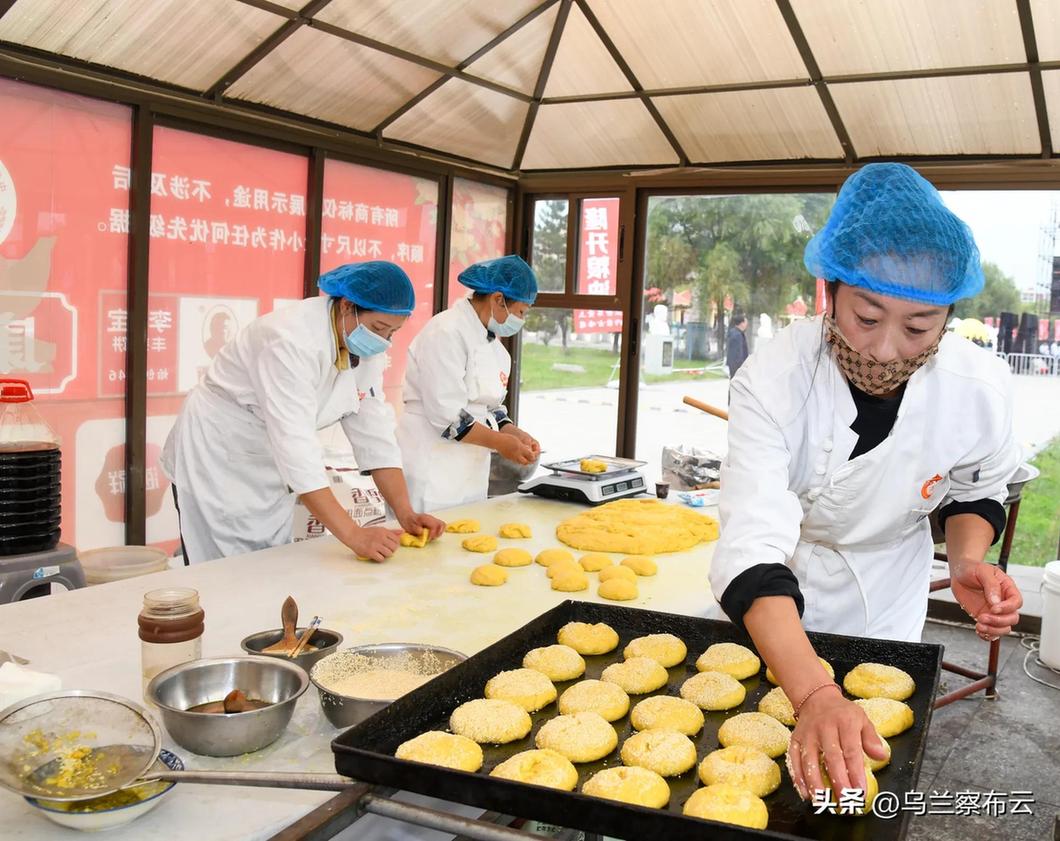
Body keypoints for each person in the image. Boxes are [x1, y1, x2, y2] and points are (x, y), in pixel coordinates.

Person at [709, 164, 1023, 803]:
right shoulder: (773, 380)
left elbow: (975, 487)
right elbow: (753, 543)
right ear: (830, 291)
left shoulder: (978, 388)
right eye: (867, 316)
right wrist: (815, 694)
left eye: (918, 327)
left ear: (948, 316)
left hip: (888, 585)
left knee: (859, 782)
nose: (885, 350)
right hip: (779, 585)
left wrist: (967, 559)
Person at [162, 261, 444, 564]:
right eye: (378, 328)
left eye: (393, 332)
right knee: (220, 566)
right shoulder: (289, 341)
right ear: (347, 306)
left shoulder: (365, 349)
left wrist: (405, 512)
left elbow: (376, 436)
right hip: (218, 451)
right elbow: (296, 447)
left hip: (265, 453)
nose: (383, 340)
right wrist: (354, 535)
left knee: (268, 560)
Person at [398, 255, 540, 512]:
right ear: (498, 299)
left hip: (470, 469)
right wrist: (500, 443)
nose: (521, 320)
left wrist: (512, 432)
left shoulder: (496, 349)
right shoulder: (446, 332)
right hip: (432, 465)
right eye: (521, 311)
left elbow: (491, 408)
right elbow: (448, 417)